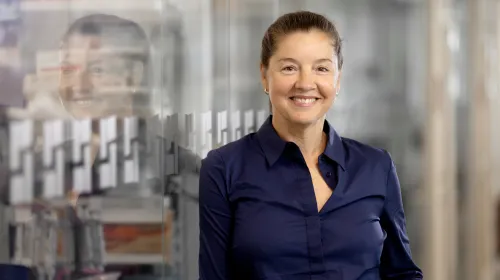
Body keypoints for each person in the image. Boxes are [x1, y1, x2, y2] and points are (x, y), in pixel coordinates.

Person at [198, 11, 423, 280]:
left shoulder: (376, 167)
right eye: (289, 68)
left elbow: (402, 273)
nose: (305, 83)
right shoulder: (224, 168)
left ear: (337, 80)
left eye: (321, 68)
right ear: (264, 75)